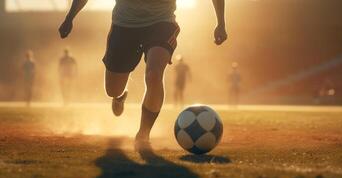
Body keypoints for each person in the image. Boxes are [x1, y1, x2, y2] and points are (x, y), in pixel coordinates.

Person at [59, 0, 227, 148]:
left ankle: (143, 133)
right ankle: (119, 96)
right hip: (123, 26)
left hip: (162, 23)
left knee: (154, 75)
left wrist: (220, 22)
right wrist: (69, 17)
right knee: (112, 90)